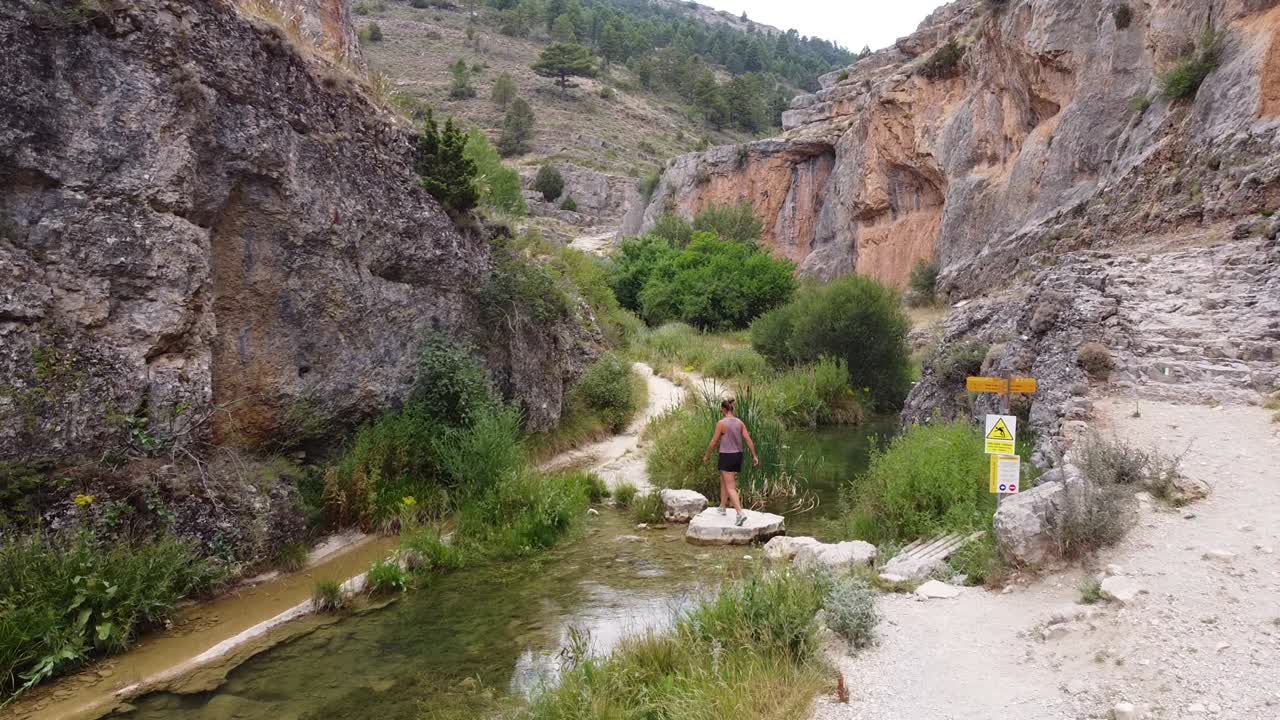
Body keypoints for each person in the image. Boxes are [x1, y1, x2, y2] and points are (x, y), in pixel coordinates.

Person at [701, 397, 759, 527]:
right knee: (724, 479)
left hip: (726, 455)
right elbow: (748, 439)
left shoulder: (721, 423)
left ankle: (740, 514)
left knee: (730, 486)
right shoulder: (740, 422)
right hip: (738, 455)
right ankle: (722, 506)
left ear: (723, 409)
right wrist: (754, 456)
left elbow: (714, 442)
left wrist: (706, 455)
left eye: (721, 410)